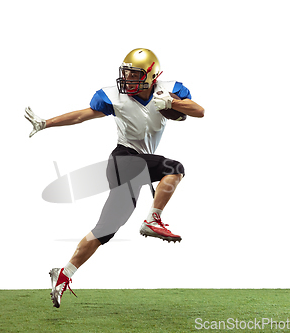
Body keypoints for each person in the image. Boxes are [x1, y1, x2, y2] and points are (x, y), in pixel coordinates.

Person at [25, 48, 204, 308]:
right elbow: (81, 115)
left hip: (138, 166)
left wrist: (172, 103)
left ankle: (63, 274)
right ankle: (153, 220)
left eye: (135, 74)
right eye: (127, 73)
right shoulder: (115, 97)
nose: (128, 79)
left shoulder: (170, 90)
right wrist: (46, 123)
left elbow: (199, 111)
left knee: (105, 230)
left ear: (152, 75)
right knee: (173, 167)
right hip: (123, 160)